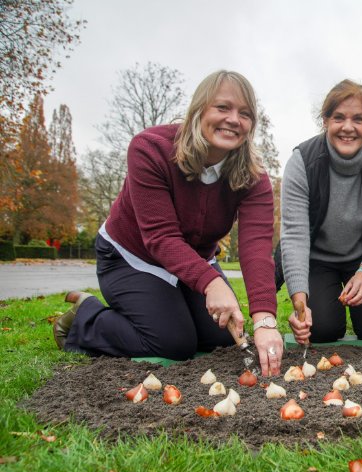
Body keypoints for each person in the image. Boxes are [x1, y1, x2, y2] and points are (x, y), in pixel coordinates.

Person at [53, 70, 283, 376]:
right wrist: (212, 282)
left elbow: (255, 248)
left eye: (245, 113)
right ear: (199, 110)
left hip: (195, 261)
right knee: (173, 343)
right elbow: (160, 237)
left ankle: (174, 308)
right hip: (132, 257)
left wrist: (265, 320)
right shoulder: (150, 149)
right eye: (222, 108)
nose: (233, 119)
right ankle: (85, 319)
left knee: (220, 337)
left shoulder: (253, 176)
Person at [279, 79, 362, 346]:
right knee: (321, 330)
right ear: (325, 120)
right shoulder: (302, 161)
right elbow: (295, 235)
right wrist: (299, 299)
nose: (348, 128)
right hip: (318, 258)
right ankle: (323, 308)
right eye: (339, 118)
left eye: (358, 119)